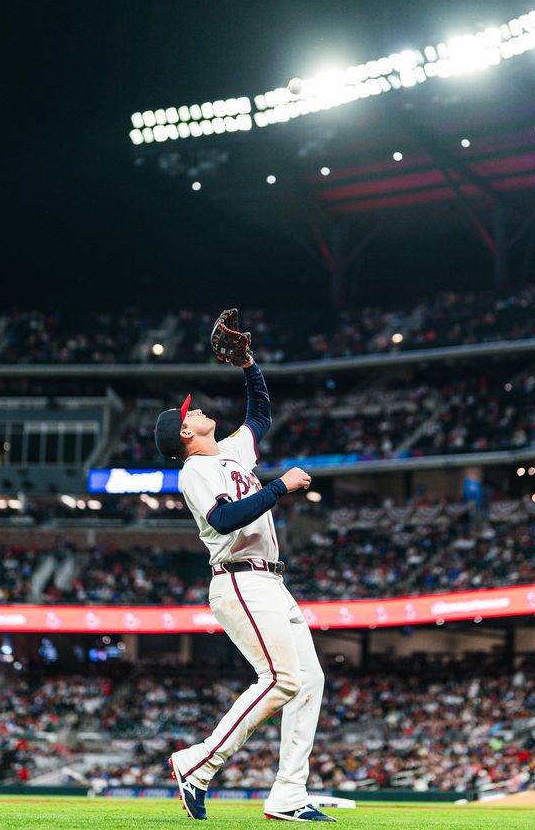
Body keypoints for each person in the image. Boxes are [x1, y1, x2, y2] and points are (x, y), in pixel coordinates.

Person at [154, 321, 332, 823]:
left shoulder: (229, 451)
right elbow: (225, 517)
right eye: (191, 413)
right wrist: (279, 486)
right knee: (280, 678)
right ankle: (198, 763)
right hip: (238, 578)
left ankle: (288, 794)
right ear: (186, 432)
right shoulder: (194, 471)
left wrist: (249, 365)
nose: (200, 409)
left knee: (309, 680)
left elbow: (262, 413)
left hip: (270, 580)